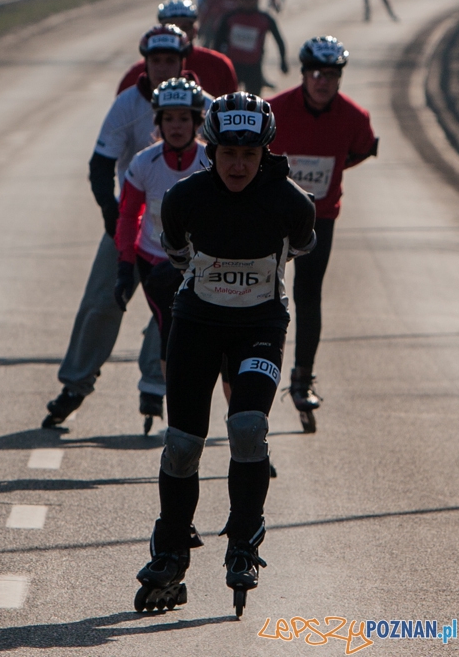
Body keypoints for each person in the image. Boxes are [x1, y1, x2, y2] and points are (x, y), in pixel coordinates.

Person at [134, 92, 316, 617]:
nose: (237, 164)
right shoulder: (184, 197)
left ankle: (244, 539)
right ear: (210, 150)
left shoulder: (290, 202)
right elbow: (173, 251)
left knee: (247, 427)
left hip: (258, 326)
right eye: (227, 153)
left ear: (264, 153)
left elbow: (302, 244)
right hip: (197, 325)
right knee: (183, 442)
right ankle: (169, 549)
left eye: (249, 154)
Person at [41, 24, 195, 430]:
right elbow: (99, 164)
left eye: (171, 61)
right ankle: (76, 382)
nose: (163, 68)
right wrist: (112, 214)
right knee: (102, 299)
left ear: (184, 62)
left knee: (175, 310)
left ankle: (155, 382)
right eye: (156, 61)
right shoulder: (129, 103)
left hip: (191, 233)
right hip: (134, 214)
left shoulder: (205, 107)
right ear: (146, 63)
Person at [267, 36, 378, 433]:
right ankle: (255, 370)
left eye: (331, 75)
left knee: (308, 294)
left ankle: (302, 377)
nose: (323, 82)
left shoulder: (354, 117)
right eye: (316, 74)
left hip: (319, 216)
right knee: (263, 293)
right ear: (304, 74)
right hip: (272, 217)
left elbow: (363, 149)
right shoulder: (276, 110)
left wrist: (333, 171)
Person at [113, 78, 208, 431]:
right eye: (169, 119)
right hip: (155, 261)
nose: (177, 126)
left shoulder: (211, 161)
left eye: (184, 118)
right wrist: (125, 267)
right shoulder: (144, 162)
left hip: (202, 265)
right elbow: (128, 215)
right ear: (158, 122)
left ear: (197, 121)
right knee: (171, 329)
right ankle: (178, 417)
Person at [116, 0, 238, 99]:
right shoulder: (136, 74)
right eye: (171, 26)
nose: (178, 33)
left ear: (195, 30)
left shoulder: (219, 65)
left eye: (185, 27)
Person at [214, 0, 288, 96]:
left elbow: (279, 40)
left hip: (254, 67)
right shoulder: (229, 18)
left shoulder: (265, 19)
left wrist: (283, 61)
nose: (247, 2)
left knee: (254, 102)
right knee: (227, 100)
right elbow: (218, 42)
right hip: (233, 66)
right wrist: (217, 65)